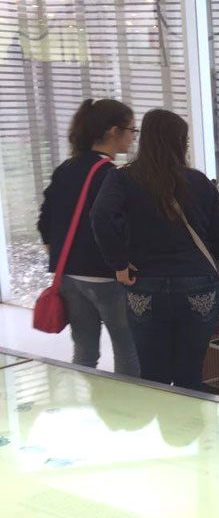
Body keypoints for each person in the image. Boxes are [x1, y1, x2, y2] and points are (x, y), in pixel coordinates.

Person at [91, 109, 219, 391]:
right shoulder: (199, 182)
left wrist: (119, 263)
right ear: (179, 142)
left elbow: (100, 216)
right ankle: (188, 418)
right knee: (190, 375)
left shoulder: (122, 178)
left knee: (152, 375)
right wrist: (196, 260)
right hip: (196, 284)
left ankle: (156, 415)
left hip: (145, 283)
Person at [37, 98, 140, 376]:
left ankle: (88, 398)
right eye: (132, 130)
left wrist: (64, 253)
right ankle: (128, 400)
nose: (133, 137)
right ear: (113, 131)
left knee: (84, 350)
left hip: (69, 276)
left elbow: (45, 220)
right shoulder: (113, 176)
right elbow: (120, 226)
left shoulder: (66, 168)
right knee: (127, 347)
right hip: (106, 277)